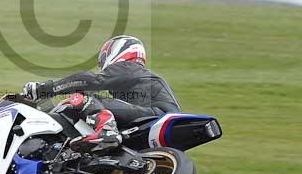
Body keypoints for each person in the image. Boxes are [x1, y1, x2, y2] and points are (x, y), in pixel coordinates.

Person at [21, 35, 182, 152]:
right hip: (160, 122)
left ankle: (107, 132)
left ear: (118, 51)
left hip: (156, 116)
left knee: (81, 97)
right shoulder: (139, 77)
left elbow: (89, 80)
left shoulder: (128, 67)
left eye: (104, 58)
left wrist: (46, 88)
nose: (103, 64)